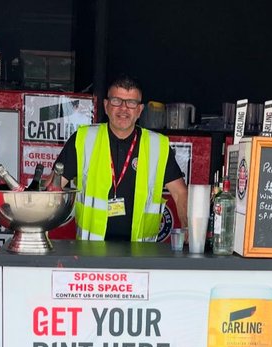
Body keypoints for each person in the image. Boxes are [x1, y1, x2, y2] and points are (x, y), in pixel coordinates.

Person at [53, 75, 189, 243]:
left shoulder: (157, 145)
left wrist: (188, 229)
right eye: (117, 100)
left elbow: (180, 192)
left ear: (139, 110)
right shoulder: (83, 139)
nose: (124, 108)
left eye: (131, 103)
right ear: (106, 105)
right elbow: (54, 187)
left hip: (141, 251)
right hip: (91, 249)